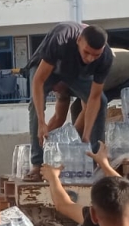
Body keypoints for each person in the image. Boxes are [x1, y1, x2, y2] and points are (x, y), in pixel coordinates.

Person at [25, 23, 113, 181]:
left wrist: (86, 136)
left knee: (102, 101)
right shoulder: (61, 39)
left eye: (95, 55)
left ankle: (95, 160)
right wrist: (41, 122)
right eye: (87, 52)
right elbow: (39, 81)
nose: (90, 59)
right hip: (46, 67)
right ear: (78, 40)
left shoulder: (106, 57)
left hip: (74, 73)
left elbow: (93, 98)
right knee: (35, 103)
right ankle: (37, 164)